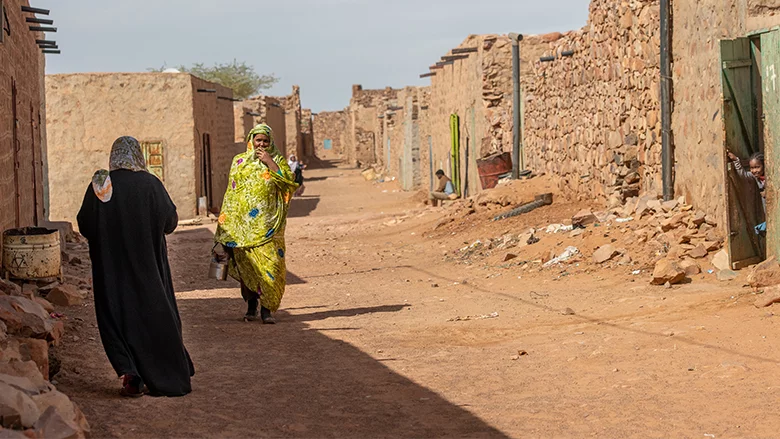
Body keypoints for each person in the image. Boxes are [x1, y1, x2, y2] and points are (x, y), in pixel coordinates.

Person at [77, 136, 194, 398]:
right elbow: (170, 223)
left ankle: (130, 374)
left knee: (114, 317)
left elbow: (85, 225)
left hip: (111, 272)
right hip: (149, 269)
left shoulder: (101, 183)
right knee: (156, 315)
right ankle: (169, 373)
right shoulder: (151, 183)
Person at [214, 124, 298, 323]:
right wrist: (224, 226)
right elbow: (231, 195)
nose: (261, 144)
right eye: (258, 140)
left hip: (269, 227)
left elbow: (289, 184)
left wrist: (270, 163)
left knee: (272, 267)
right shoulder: (239, 161)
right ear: (251, 140)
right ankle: (252, 306)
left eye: (265, 141)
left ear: (271, 142)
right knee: (249, 269)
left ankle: (267, 310)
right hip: (242, 228)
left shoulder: (277, 160)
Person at [728, 150, 766, 235]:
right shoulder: (757, 177)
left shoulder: (771, 175)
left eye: (757, 167)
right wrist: (736, 160)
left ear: (764, 165)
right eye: (752, 168)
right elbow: (743, 175)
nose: (754, 170)